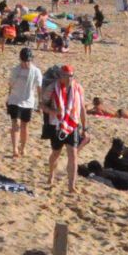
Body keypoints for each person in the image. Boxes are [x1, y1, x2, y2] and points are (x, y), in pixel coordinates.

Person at [44, 64, 87, 195]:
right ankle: (51, 173)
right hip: (57, 124)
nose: (68, 79)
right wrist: (53, 111)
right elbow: (42, 105)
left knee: (73, 155)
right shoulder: (52, 88)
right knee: (55, 153)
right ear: (60, 76)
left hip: (72, 124)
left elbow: (83, 109)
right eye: (65, 76)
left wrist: (85, 127)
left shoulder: (78, 88)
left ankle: (71, 185)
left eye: (70, 76)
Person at [6, 47, 43, 157]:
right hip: (15, 100)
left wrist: (40, 103)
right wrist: (8, 98)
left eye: (28, 61)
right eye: (24, 61)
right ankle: (15, 149)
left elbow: (39, 87)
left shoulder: (36, 71)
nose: (26, 63)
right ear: (20, 59)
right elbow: (10, 85)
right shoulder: (15, 70)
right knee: (15, 124)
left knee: (24, 126)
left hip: (28, 101)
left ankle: (23, 147)